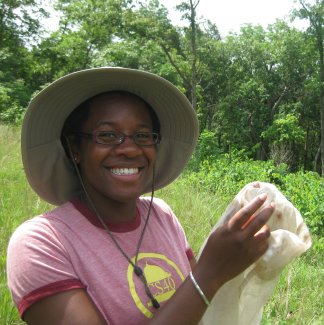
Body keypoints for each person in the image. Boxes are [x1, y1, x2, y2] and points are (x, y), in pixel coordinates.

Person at [6, 67, 274, 324]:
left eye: (143, 135)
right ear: (74, 147)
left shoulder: (162, 215)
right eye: (108, 135)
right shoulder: (41, 242)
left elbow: (197, 304)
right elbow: (201, 283)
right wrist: (210, 273)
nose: (130, 149)